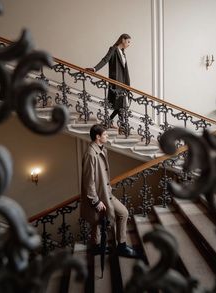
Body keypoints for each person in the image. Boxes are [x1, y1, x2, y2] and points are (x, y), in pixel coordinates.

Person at [80, 124, 138, 257]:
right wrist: (95, 201)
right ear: (97, 137)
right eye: (105, 134)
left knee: (120, 213)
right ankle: (111, 247)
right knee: (99, 220)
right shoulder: (90, 154)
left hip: (105, 193)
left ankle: (119, 245)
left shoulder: (102, 149)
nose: (107, 136)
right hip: (98, 196)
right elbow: (88, 181)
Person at [86, 34, 131, 130]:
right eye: (128, 41)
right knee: (121, 104)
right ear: (123, 40)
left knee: (121, 105)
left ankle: (109, 121)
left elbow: (125, 70)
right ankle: (122, 127)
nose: (129, 44)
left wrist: (127, 84)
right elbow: (105, 60)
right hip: (116, 82)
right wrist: (95, 68)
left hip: (122, 83)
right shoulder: (113, 49)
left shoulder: (123, 53)